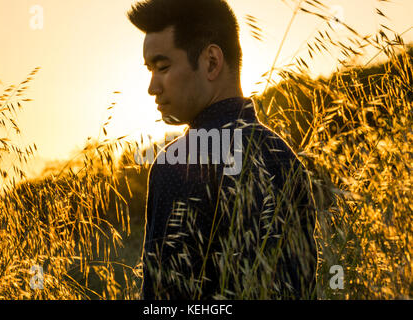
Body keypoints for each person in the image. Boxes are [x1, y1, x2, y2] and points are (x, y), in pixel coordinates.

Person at [128, 0, 317, 300]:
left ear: (212, 62)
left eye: (162, 67)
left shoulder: (178, 165)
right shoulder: (284, 157)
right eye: (150, 70)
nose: (152, 87)